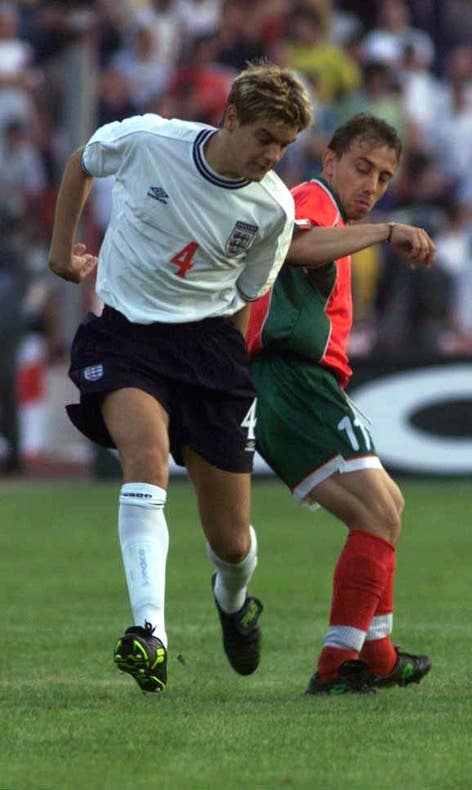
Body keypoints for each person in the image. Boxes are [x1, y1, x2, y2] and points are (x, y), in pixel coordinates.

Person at [47, 63, 313, 693]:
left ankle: (233, 600)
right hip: (128, 336)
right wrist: (60, 251)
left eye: (284, 146)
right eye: (265, 138)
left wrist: (227, 370)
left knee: (230, 541)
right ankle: (151, 634)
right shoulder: (152, 141)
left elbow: (248, 297)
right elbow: (83, 160)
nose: (272, 155)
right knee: (146, 456)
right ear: (230, 119)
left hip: (211, 351)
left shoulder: (272, 207)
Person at [247, 113, 436, 694]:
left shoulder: (334, 210)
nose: (371, 186)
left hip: (291, 383)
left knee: (383, 510)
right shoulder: (314, 198)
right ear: (330, 160)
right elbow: (298, 246)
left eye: (383, 178)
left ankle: (375, 654)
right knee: (379, 512)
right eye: (362, 168)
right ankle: (338, 665)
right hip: (294, 378)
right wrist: (386, 230)